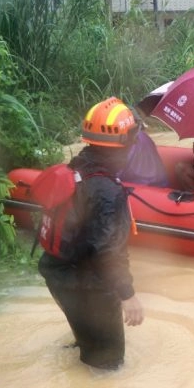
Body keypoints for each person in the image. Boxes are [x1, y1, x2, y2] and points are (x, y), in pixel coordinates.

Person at [38, 97, 144, 370]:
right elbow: (108, 250)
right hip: (88, 285)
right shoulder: (107, 191)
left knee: (87, 344)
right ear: (123, 143)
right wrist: (127, 294)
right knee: (108, 367)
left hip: (57, 272)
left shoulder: (78, 166)